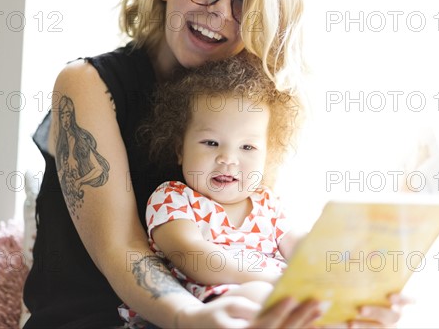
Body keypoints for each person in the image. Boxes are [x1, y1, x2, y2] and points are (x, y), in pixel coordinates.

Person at [23, 0, 408, 327]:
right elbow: (123, 248)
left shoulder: (248, 109)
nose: (222, 12)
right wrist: (195, 318)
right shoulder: (86, 83)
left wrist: (345, 293)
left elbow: (262, 240)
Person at [118, 55, 303, 327]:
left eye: (247, 147)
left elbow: (301, 246)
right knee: (261, 297)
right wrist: (270, 278)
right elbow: (193, 256)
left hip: (278, 293)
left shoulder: (268, 205)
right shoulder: (173, 198)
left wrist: (335, 257)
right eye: (211, 142)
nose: (228, 158)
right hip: (210, 306)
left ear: (267, 154)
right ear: (180, 148)